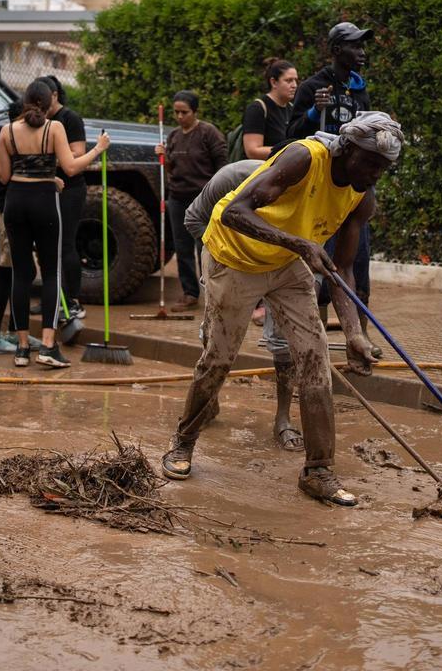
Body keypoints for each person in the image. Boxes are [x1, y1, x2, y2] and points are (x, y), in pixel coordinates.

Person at [160, 111, 401, 507]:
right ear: (348, 149)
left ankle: (318, 470)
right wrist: (301, 245)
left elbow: (341, 269)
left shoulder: (363, 195)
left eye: (384, 167)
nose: (376, 173)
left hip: (287, 266)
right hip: (233, 256)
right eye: (371, 162)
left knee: (314, 360)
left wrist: (355, 331)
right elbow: (236, 211)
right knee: (219, 358)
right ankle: (183, 442)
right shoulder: (303, 158)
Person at [0, 81, 108, 368]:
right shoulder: (54, 128)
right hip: (44, 201)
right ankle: (49, 347)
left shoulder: (7, 131)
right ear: (48, 101)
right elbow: (73, 166)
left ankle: (22, 348)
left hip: (14, 202)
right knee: (52, 272)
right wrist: (99, 148)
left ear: (25, 101)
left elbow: (3, 176)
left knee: (21, 274)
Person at [182, 158, 305, 451]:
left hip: (279, 261)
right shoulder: (231, 178)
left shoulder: (304, 192)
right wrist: (227, 259)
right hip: (226, 257)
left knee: (283, 339)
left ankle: (283, 418)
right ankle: (207, 402)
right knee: (214, 336)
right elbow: (192, 219)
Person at [288, 22, 376, 346]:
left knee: (358, 258)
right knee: (318, 257)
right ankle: (317, 334)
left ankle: (361, 333)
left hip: (354, 188)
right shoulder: (314, 86)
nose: (362, 52)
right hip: (322, 187)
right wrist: (314, 111)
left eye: (363, 46)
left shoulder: (359, 88)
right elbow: (292, 135)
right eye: (355, 46)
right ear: (338, 50)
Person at [0, 100, 41, 355]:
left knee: (22, 274)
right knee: (6, 276)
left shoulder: (5, 141)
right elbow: (7, 177)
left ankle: (17, 333)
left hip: (5, 214)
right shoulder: (8, 141)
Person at [154, 90, 226, 312]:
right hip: (177, 198)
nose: (179, 116)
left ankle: (214, 293)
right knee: (182, 247)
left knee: (204, 246)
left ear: (194, 111)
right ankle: (190, 293)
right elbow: (171, 170)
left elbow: (222, 165)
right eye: (176, 112)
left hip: (202, 199)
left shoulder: (209, 133)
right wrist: (163, 156)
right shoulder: (174, 136)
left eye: (184, 112)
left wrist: (216, 194)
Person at [43, 75, 89, 321]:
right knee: (46, 245)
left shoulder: (69, 119)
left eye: (44, 99)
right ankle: (52, 297)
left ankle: (72, 299)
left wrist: (45, 158)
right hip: (46, 189)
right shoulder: (40, 120)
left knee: (66, 244)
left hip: (70, 190)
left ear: (54, 95)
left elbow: (77, 153)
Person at [240, 59, 298, 161]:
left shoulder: (292, 109)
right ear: (274, 82)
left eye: (295, 80)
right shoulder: (258, 108)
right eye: (288, 80)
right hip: (261, 172)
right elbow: (252, 151)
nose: (294, 85)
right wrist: (288, 151)